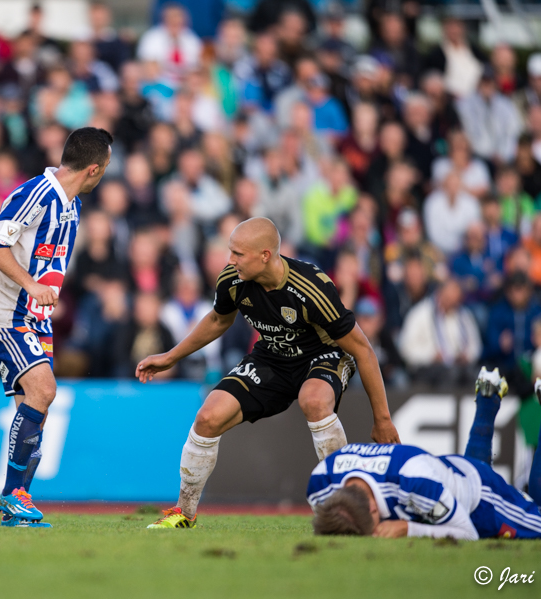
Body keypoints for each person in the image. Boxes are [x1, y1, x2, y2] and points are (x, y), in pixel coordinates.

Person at [136, 217, 401, 529]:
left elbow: (363, 349)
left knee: (314, 401)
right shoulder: (232, 279)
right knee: (207, 417)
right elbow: (219, 320)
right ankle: (184, 513)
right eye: (230, 252)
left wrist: (382, 419)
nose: (229, 260)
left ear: (265, 255)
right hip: (272, 357)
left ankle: (343, 510)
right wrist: (170, 356)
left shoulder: (311, 287)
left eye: (238, 254)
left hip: (323, 355)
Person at [0, 127, 113, 528]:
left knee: (36, 408)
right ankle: (11, 497)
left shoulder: (73, 205)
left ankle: (18, 504)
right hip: (5, 313)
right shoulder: (36, 194)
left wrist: (46, 288)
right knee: (44, 390)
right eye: (104, 167)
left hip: (36, 318)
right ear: (93, 169)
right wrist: (31, 284)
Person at [309, 368, 541, 540]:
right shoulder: (321, 483)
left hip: (477, 494)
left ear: (375, 509)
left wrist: (408, 528)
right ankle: (487, 396)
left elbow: (467, 531)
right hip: (441, 474)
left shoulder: (413, 482)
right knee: (450, 481)